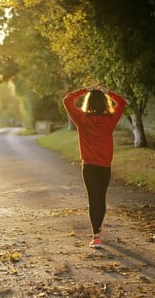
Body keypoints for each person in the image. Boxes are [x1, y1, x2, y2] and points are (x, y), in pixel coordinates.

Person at [62, 85, 127, 248]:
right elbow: (122, 102)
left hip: (89, 167)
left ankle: (96, 236)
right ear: (105, 103)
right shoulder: (110, 120)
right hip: (105, 167)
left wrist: (85, 90)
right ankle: (98, 230)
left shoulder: (82, 119)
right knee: (101, 198)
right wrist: (108, 91)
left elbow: (67, 100)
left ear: (88, 103)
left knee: (93, 199)